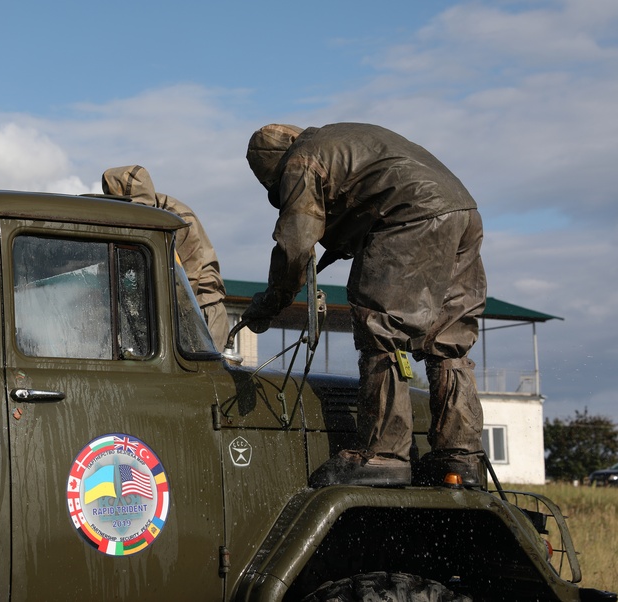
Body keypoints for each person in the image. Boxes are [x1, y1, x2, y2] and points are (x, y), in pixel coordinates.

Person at [242, 123, 487, 487]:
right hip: (463, 212)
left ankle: (383, 454)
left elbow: (295, 243)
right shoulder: (339, 142)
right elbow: (365, 199)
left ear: (272, 170)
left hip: (413, 213)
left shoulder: (299, 163)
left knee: (381, 328)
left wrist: (273, 301)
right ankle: (460, 457)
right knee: (448, 342)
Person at [102, 165, 229, 347]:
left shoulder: (179, 220)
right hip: (171, 312)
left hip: (200, 312)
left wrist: (155, 321)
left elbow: (186, 284)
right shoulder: (127, 220)